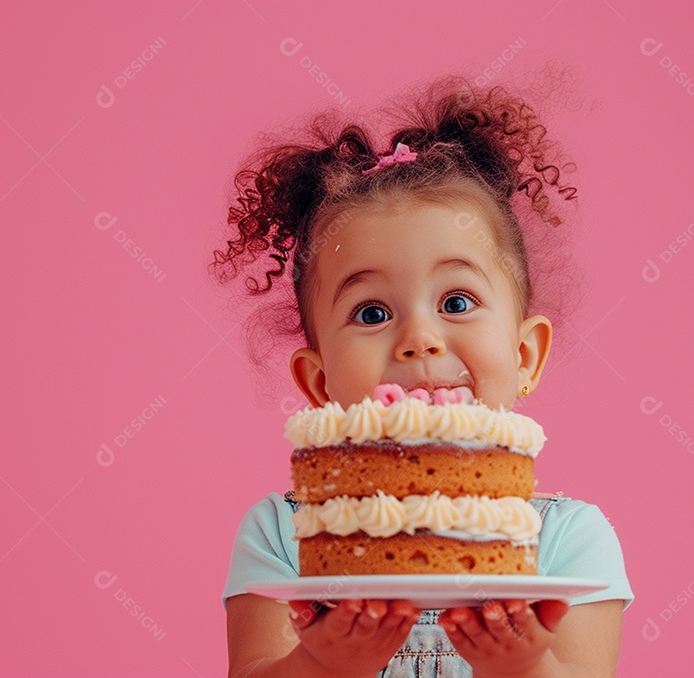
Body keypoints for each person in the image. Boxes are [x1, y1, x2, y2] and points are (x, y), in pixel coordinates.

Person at [211, 73, 633, 677]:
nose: (420, 339)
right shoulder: (287, 534)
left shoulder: (567, 541)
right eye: (372, 313)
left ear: (525, 356)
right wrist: (320, 663)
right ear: (319, 383)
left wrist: (525, 667)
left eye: (456, 302)